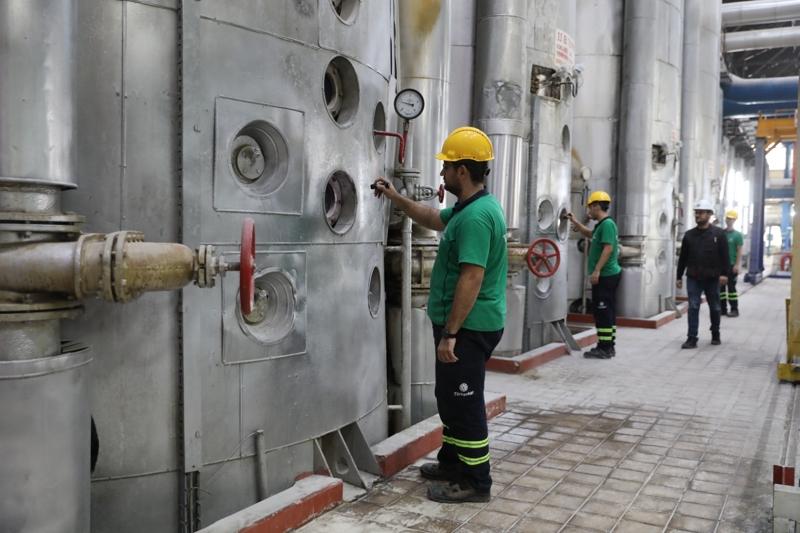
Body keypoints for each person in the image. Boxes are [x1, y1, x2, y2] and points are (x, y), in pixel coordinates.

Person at [372, 126, 507, 504]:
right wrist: (396, 197)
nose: (443, 173)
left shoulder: (477, 217)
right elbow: (433, 217)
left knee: (464, 401)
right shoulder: (470, 208)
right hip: (464, 325)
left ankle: (476, 481)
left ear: (462, 171)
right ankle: (452, 462)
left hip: (468, 327)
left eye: (447, 166)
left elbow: (472, 277)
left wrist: (451, 334)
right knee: (449, 397)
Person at [566, 191, 622, 359]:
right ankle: (609, 346)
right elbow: (590, 234)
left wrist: (597, 270)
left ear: (597, 206)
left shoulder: (607, 224)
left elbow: (608, 248)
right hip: (606, 275)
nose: (588, 211)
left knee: (603, 311)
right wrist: (576, 222)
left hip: (606, 275)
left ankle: (604, 348)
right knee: (607, 311)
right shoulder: (601, 225)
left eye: (590, 207)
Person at [676, 199, 729, 348]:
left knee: (715, 307)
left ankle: (715, 333)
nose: (697, 215)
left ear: (709, 214)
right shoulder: (689, 235)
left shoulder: (719, 234)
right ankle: (692, 338)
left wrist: (724, 274)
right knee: (693, 306)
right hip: (694, 277)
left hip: (712, 277)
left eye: (701, 212)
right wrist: (679, 276)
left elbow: (725, 256)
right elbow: (683, 258)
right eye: (696, 213)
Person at [721, 210, 743, 318]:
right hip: (721, 266)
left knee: (731, 289)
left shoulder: (737, 235)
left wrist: (737, 265)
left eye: (731, 218)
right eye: (727, 218)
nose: (729, 220)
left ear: (734, 220)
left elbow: (739, 251)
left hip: (731, 265)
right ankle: (722, 309)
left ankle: (734, 309)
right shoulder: (721, 233)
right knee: (720, 289)